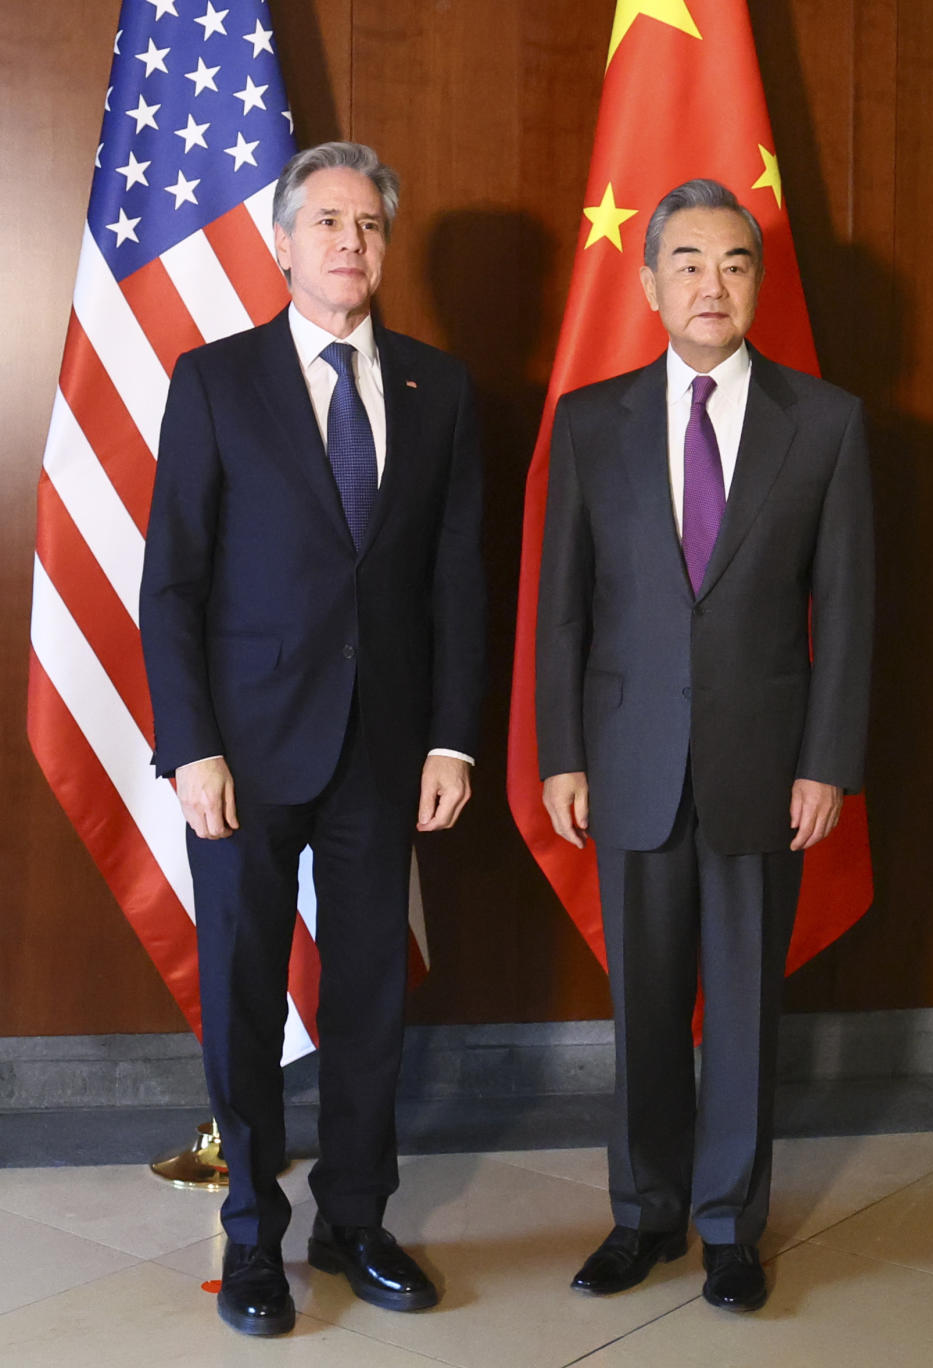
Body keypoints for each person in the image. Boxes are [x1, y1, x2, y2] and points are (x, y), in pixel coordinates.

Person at [140, 141, 485, 1337]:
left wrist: (454, 739)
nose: (351, 241)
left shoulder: (436, 390)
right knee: (241, 994)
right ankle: (252, 1243)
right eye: (328, 221)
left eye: (370, 225)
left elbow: (456, 583)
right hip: (238, 757)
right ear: (283, 243)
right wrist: (189, 748)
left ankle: (356, 1219)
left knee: (372, 996)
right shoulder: (216, 381)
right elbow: (171, 585)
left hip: (385, 753)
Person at [536, 179, 873, 1313]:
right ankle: (643, 1216)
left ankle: (730, 1226)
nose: (709, 284)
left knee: (741, 1007)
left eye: (733, 263)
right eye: (686, 263)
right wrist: (561, 753)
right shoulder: (591, 420)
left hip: (764, 766)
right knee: (642, 1005)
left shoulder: (824, 421)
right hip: (627, 759)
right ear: (647, 284)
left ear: (757, 283)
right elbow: (564, 609)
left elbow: (850, 607)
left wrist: (827, 759)